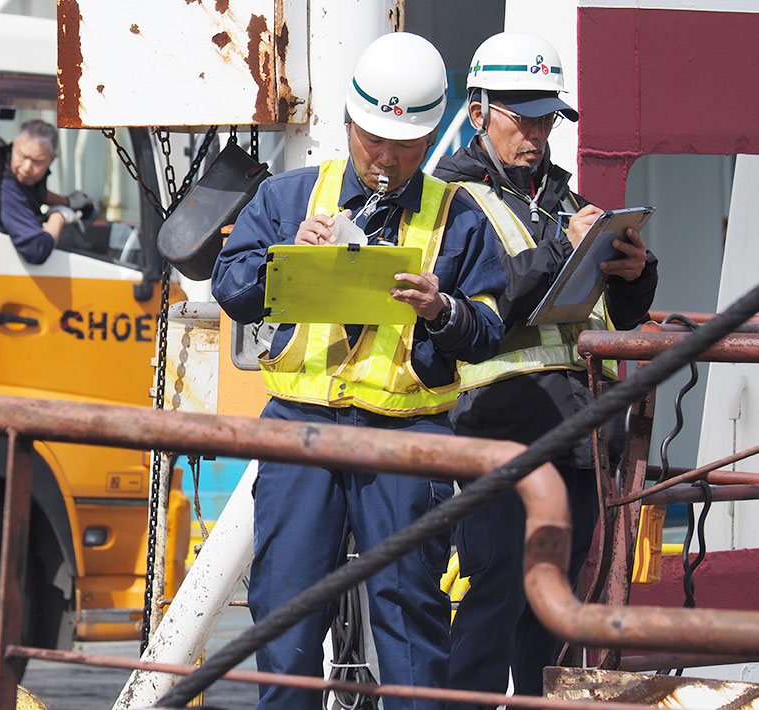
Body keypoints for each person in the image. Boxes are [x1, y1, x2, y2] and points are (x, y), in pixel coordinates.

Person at [212, 32, 509, 710]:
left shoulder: (458, 216)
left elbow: (490, 329)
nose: (386, 158)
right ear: (349, 122)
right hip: (301, 431)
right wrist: (287, 258)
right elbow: (230, 286)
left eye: (405, 146)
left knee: (410, 614)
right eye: (374, 139)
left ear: (430, 134)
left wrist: (443, 310)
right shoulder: (290, 199)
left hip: (408, 437)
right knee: (285, 610)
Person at [434, 31, 658, 705]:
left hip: (577, 431)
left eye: (546, 117)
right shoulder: (450, 201)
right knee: (492, 596)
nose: (536, 132)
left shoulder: (559, 197)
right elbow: (484, 305)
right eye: (521, 115)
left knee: (560, 612)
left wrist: (632, 273)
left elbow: (611, 317)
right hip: (496, 432)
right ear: (477, 112)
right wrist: (564, 245)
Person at [0, 119, 95, 264]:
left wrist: (66, 201)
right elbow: (37, 249)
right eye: (22, 156)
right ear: (13, 145)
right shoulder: (7, 187)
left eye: (37, 162)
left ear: (52, 159)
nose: (26, 168)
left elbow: (33, 190)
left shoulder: (18, 173)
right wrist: (59, 216)